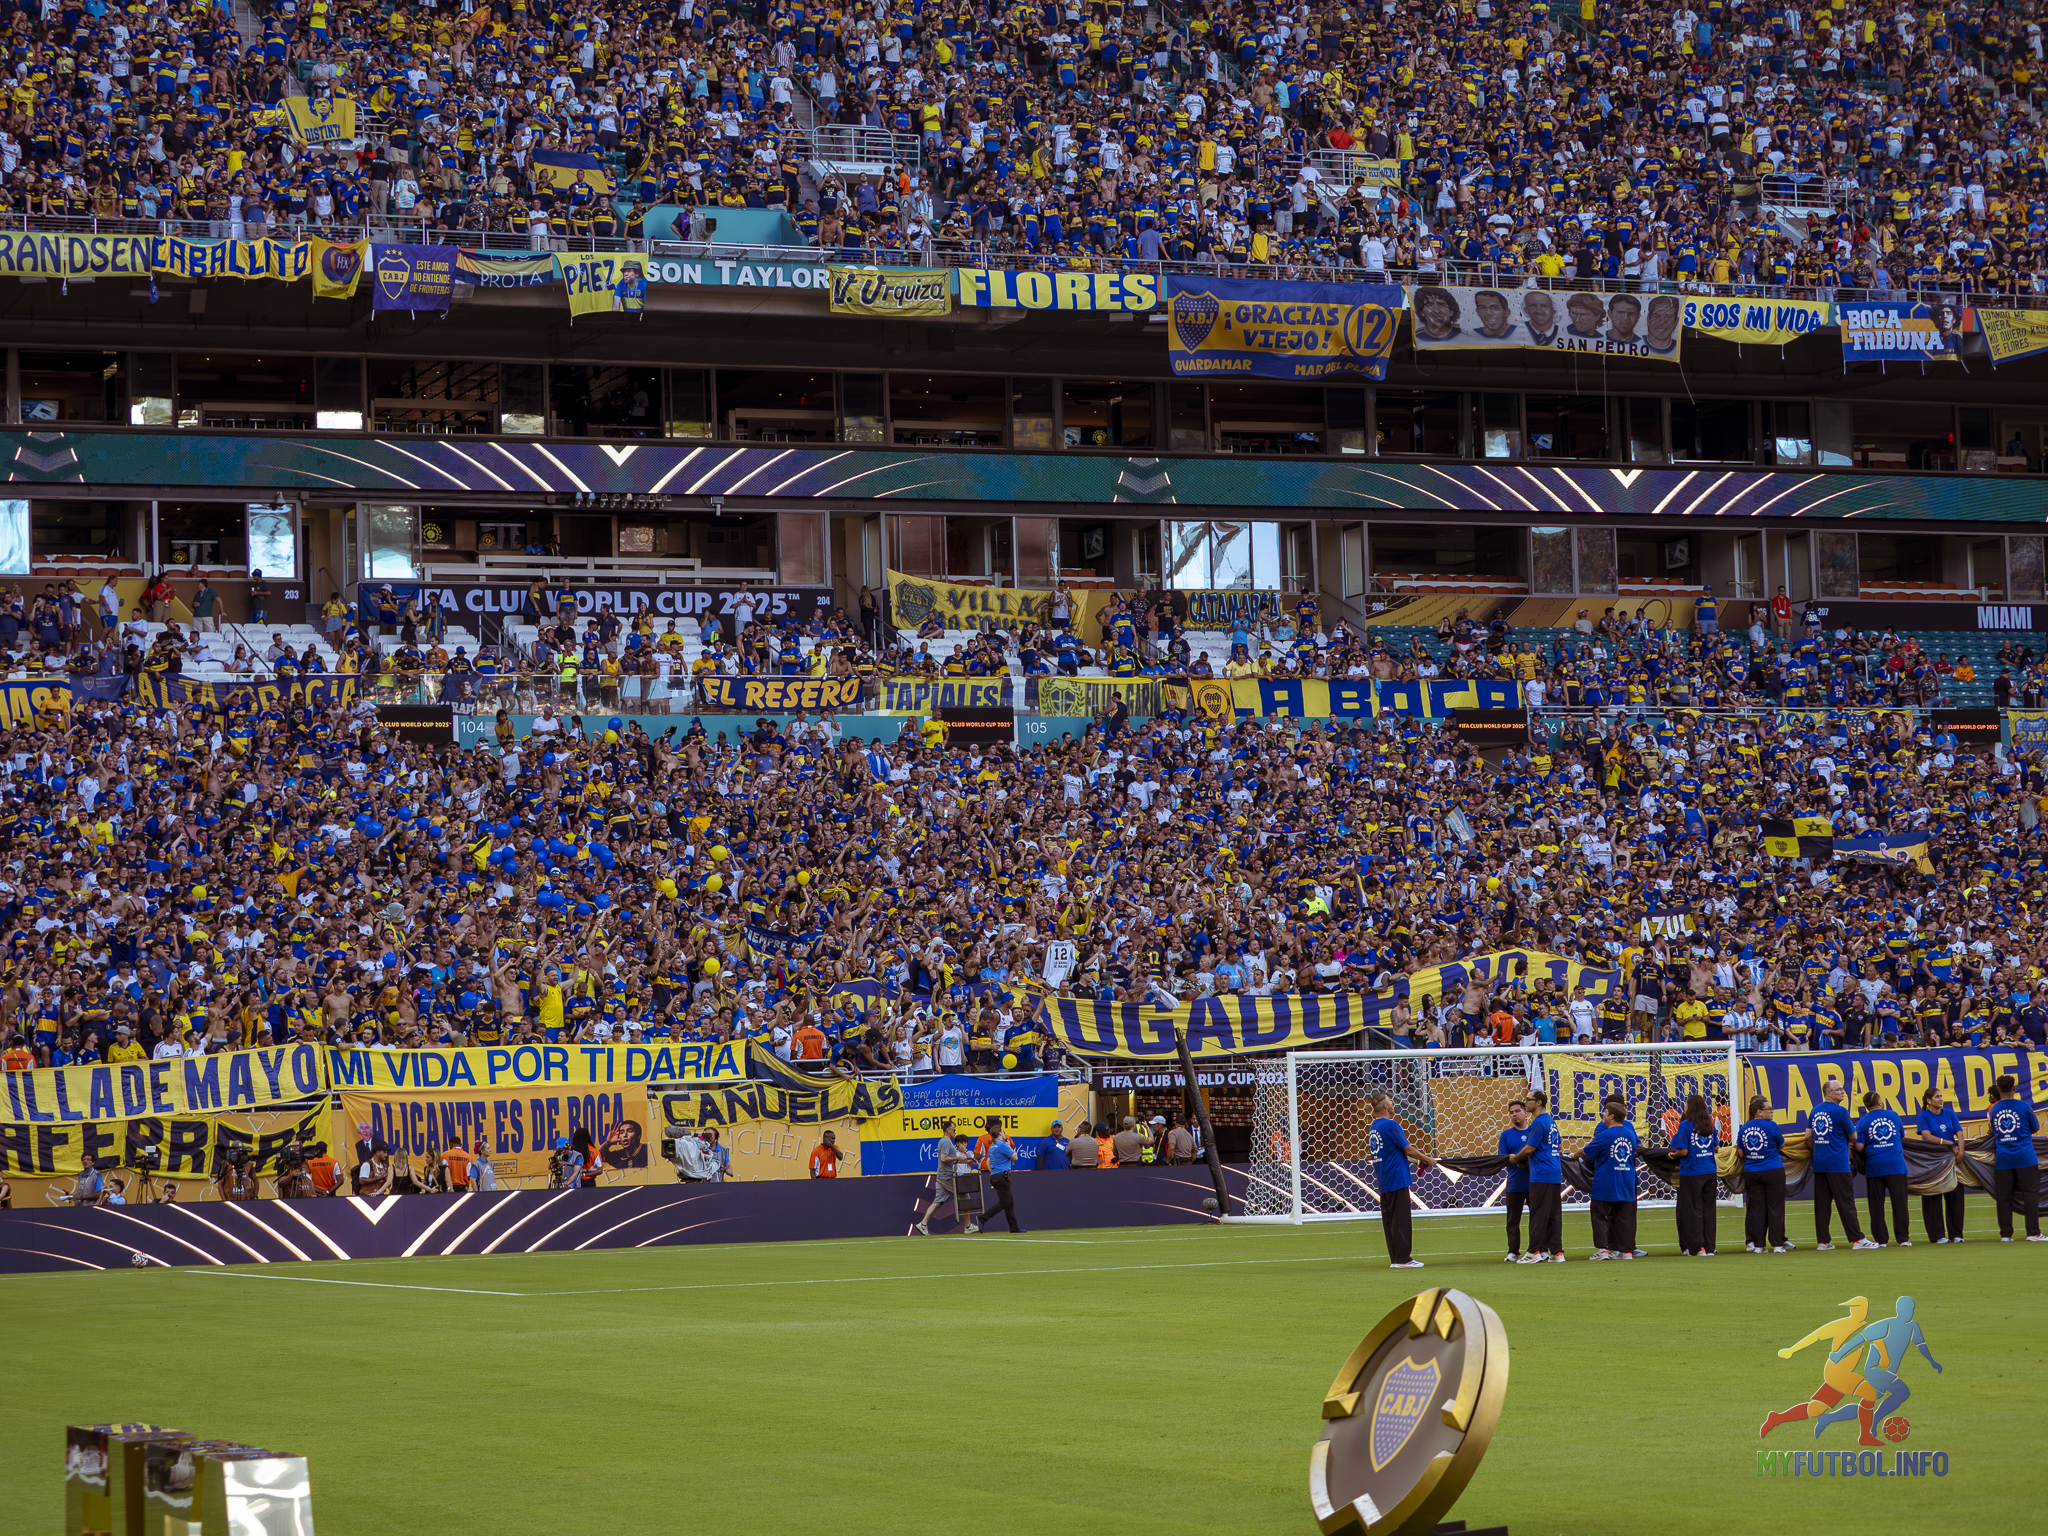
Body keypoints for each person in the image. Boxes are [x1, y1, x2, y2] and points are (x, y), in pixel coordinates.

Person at [1369, 1091, 1438, 1269]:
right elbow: (1408, 1149)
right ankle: (1403, 1259)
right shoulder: (1390, 1125)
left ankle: (1395, 1258)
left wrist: (1418, 1162)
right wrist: (1428, 1159)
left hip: (1384, 1180)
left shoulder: (1374, 1127)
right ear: (1385, 1106)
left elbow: (1395, 1153)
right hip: (1397, 1178)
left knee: (1391, 1221)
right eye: (1390, 1101)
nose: (1393, 1103)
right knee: (1401, 1220)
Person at [1809, 1081, 1873, 1250]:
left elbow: (1808, 1136)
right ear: (1828, 1093)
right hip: (1838, 1163)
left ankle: (1823, 1242)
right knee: (1846, 1202)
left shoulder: (1815, 1110)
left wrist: (1818, 1152)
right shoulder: (1840, 1111)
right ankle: (1857, 1239)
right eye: (1838, 1090)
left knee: (1822, 1204)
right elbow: (1853, 1136)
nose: (1842, 1092)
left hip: (1820, 1162)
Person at [1506, 1088, 1564, 1263]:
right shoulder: (1551, 1121)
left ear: (1539, 1102)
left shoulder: (1538, 1122)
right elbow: (1560, 1146)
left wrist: (1516, 1158)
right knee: (1553, 1215)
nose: (1526, 1102)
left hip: (1541, 1174)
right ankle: (1557, 1252)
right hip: (1554, 1172)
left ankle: (1534, 1252)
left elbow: (1530, 1148)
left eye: (1528, 1100)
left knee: (1538, 1214)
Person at [1987, 1075, 2044, 1241]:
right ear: (2014, 1089)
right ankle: (2033, 1233)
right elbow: (2035, 1127)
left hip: (2003, 1158)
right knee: (2031, 1195)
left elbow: (1994, 1131)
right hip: (2025, 1156)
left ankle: (2005, 1234)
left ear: (1998, 1089)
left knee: (2004, 1197)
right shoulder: (2023, 1106)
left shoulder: (1994, 1109)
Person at [1582, 1097, 1639, 1260]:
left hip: (1607, 1180)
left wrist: (1573, 1155)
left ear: (1612, 1116)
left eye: (1605, 1112)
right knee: (1625, 1216)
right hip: (1627, 1179)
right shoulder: (1630, 1133)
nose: (1603, 1114)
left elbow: (1587, 1152)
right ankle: (1626, 1251)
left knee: (1599, 1214)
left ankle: (1602, 1250)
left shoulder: (1605, 1134)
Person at [1852, 1091, 1911, 1247]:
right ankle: (1903, 1239)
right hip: (1896, 1164)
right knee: (1900, 1204)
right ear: (1879, 1102)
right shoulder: (1893, 1115)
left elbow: (1859, 1146)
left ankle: (1881, 1240)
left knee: (1876, 1205)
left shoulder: (1862, 1122)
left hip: (1874, 1166)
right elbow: (1902, 1136)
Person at [1736, 1095, 1790, 1254]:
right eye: (1769, 1109)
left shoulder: (1744, 1127)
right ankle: (1777, 1244)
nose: (1772, 1111)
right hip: (1772, 1170)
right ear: (1759, 1112)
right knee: (1775, 1208)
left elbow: (1740, 1152)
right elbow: (1782, 1144)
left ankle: (1758, 1245)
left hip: (1751, 1172)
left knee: (1757, 1209)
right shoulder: (1771, 1126)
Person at [1914, 1088, 1967, 1244]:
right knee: (1933, 1197)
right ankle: (1937, 1235)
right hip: (1932, 1159)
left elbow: (1960, 1134)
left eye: (1941, 1096)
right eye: (1937, 1097)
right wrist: (1948, 1142)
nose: (1940, 1099)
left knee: (1955, 1194)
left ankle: (1956, 1234)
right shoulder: (1923, 1116)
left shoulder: (1949, 1114)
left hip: (1951, 1158)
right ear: (1928, 1100)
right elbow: (1927, 1136)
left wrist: (1961, 1152)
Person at [1671, 1093, 1720, 1256]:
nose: (1684, 1106)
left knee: (1693, 1210)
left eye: (1686, 1104)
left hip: (1692, 1172)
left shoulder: (1685, 1125)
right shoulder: (1709, 1124)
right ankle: (1710, 1247)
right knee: (1709, 1210)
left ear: (1690, 1106)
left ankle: (1697, 1247)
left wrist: (1671, 1155)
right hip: (1710, 1171)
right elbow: (1715, 1149)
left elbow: (1683, 1151)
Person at [915, 1118, 969, 1233]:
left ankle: (923, 1224)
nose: (955, 1132)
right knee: (964, 1195)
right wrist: (958, 1157)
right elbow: (943, 1158)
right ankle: (968, 1226)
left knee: (938, 1201)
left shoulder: (945, 1142)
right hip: (947, 1176)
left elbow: (947, 1159)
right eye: (954, 1130)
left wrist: (959, 1160)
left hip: (942, 1176)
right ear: (948, 1130)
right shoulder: (945, 1142)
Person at [1497, 1096, 1533, 1261]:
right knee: (1513, 1220)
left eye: (1517, 1111)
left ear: (1526, 1113)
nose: (1514, 1114)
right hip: (1514, 1183)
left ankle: (1537, 1249)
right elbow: (1504, 1159)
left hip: (1535, 1182)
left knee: (1537, 1218)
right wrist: (1519, 1162)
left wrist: (1518, 1159)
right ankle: (1513, 1251)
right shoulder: (1506, 1135)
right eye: (1511, 1112)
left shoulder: (1535, 1130)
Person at [977, 1116, 1024, 1233]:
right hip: (1003, 1176)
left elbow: (988, 1162)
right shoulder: (1002, 1145)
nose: (1004, 1133)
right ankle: (982, 1218)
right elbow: (1015, 1157)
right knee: (1005, 1202)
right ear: (999, 1133)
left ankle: (1014, 1227)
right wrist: (1008, 1145)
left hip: (995, 1176)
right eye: (1003, 1131)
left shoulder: (992, 1147)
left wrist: (993, 1172)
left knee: (1009, 1203)